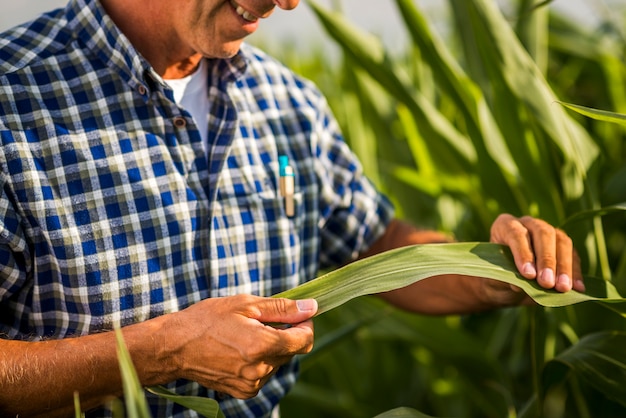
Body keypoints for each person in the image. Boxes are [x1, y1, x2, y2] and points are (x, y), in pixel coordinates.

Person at [0, 0, 585, 417]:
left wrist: (497, 269)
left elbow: (376, 246)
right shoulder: (12, 97)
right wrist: (163, 351)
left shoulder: (289, 104)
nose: (287, 2)